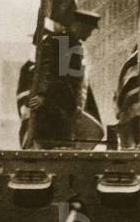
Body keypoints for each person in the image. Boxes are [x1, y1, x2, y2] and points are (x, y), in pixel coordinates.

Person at [21, 10, 103, 147]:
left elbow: (74, 80)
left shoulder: (73, 44)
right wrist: (41, 94)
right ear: (79, 26)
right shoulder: (61, 41)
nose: (89, 34)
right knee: (52, 145)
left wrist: (76, 105)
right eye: (89, 30)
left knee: (64, 144)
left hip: (65, 106)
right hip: (53, 105)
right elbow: (45, 68)